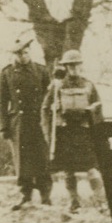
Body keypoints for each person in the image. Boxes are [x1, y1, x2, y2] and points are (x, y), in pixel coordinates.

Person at [41, 50, 102, 212]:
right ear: (66, 67)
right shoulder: (57, 86)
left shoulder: (88, 85)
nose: (74, 68)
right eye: (70, 65)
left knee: (92, 167)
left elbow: (98, 108)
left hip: (84, 132)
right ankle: (74, 201)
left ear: (81, 65)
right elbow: (45, 109)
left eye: (76, 65)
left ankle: (100, 200)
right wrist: (48, 132)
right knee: (69, 170)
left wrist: (97, 127)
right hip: (65, 132)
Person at [1, 38, 51, 209]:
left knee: (42, 157)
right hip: (19, 122)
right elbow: (2, 102)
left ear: (30, 52)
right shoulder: (6, 73)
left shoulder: (41, 71)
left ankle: (46, 196)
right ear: (13, 55)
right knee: (22, 160)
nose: (21, 56)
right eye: (18, 53)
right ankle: (25, 195)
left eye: (24, 52)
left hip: (39, 121)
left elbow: (49, 97)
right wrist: (4, 126)